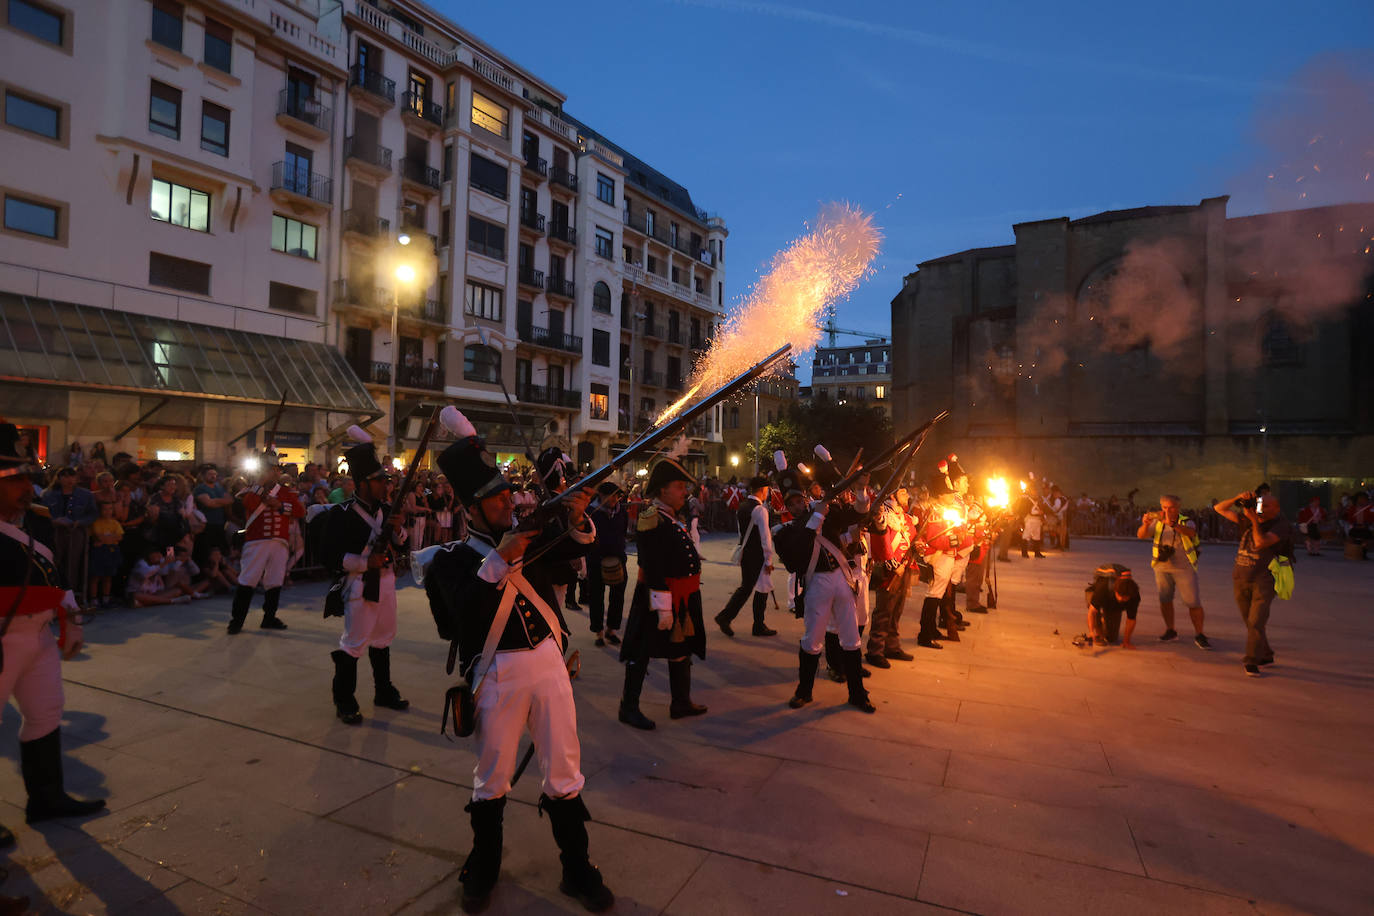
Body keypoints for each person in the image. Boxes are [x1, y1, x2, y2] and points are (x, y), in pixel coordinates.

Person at [422, 408, 613, 914]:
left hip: (549, 663)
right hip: (497, 673)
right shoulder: (451, 561)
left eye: (508, 494)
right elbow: (457, 622)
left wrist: (575, 515)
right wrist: (499, 560)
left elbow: (575, 550)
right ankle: (484, 866)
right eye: (496, 499)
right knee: (493, 779)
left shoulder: (530, 539)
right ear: (472, 509)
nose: (509, 502)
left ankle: (577, 869)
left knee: (565, 772)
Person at [0, 423, 106, 841]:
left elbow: (53, 576)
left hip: (38, 635)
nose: (28, 487)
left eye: (27, 477)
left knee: (45, 715)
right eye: (15, 480)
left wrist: (72, 618)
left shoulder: (36, 520)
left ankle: (45, 798)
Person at [320, 428, 409, 725]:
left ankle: (383, 691)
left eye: (386, 479)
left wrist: (397, 529)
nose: (385, 485)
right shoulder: (341, 514)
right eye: (379, 480)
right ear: (362, 483)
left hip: (385, 582)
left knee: (383, 639)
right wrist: (363, 562)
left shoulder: (387, 509)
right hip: (359, 585)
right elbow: (330, 556)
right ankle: (344, 699)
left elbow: (402, 544)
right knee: (354, 643)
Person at [776, 458, 875, 713]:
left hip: (841, 578)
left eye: (800, 500)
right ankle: (804, 691)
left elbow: (858, 513)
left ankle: (857, 692)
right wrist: (818, 513)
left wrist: (861, 490)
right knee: (812, 640)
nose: (799, 505)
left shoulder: (824, 515)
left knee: (851, 638)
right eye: (793, 503)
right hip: (816, 582)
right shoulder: (785, 532)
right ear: (786, 507)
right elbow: (796, 554)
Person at [618, 457, 709, 729]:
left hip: (682, 596)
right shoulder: (651, 518)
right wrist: (663, 605)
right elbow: (651, 564)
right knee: (641, 649)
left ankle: (680, 702)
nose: (684, 492)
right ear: (662, 491)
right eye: (679, 486)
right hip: (659, 598)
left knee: (680, 647)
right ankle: (628, 707)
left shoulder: (670, 518)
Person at [1213, 489, 1292, 676]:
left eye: (1266, 506)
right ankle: (1266, 654)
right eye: (1259, 505)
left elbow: (1259, 542)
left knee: (1256, 622)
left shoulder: (1281, 525)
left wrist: (1254, 520)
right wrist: (1237, 498)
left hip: (1265, 579)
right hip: (1241, 577)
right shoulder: (1247, 518)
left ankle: (1251, 660)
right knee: (1250, 622)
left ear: (1277, 509)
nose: (1261, 509)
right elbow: (1219, 508)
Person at [227, 452, 303, 633]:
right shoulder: (252, 490)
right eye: (270, 470)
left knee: (275, 580)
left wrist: (280, 506)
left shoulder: (284, 492)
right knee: (248, 580)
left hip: (280, 542)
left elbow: (300, 511)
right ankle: (236, 621)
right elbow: (250, 505)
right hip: (256, 541)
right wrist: (260, 483)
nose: (274, 473)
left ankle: (269, 618)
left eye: (275, 470)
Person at [1136, 495, 1210, 649]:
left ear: (1178, 507)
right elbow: (1141, 535)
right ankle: (1170, 630)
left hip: (1184, 568)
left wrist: (1174, 524)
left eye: (1171, 508)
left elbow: (1191, 532)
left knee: (1193, 602)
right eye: (1164, 507)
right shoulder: (1157, 522)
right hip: (1162, 567)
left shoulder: (1185, 520)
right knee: (1165, 599)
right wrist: (1145, 524)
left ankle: (1200, 634)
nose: (1167, 511)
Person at [713, 474, 778, 638]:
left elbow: (742, 532)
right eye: (767, 490)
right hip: (758, 555)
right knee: (758, 589)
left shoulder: (743, 507)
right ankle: (753, 625)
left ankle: (731, 618)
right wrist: (769, 559)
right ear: (763, 490)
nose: (768, 493)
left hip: (746, 552)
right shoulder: (760, 510)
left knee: (749, 587)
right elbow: (766, 537)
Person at [865, 483, 916, 667]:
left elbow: (911, 538)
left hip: (905, 568)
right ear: (893, 495)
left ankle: (892, 645)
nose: (907, 495)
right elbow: (881, 542)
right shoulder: (883, 515)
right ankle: (875, 650)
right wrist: (893, 565)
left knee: (897, 610)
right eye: (902, 492)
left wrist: (917, 547)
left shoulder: (905, 517)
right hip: (890, 570)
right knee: (884, 611)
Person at [40, 467, 98, 606]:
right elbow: (41, 513)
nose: (68, 480)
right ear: (59, 478)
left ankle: (70, 596)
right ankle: (53, 593)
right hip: (55, 533)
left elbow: (93, 514)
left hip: (75, 532)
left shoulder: (85, 495)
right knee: (54, 561)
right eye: (65, 476)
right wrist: (54, 521)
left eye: (71, 476)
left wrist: (81, 522)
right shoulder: (48, 495)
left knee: (73, 563)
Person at [586, 481, 628, 648]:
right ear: (601, 496)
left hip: (618, 559)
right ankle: (599, 632)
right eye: (610, 496)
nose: (614, 499)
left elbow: (623, 531)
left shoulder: (621, 512)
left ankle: (612, 630)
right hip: (596, 560)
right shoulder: (591, 512)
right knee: (596, 597)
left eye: (617, 496)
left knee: (618, 596)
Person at [1084, 564, 1142, 648]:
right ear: (1115, 590)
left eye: (1126, 598)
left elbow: (1131, 619)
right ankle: (1099, 631)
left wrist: (1126, 641)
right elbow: (1092, 611)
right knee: (1095, 612)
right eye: (1120, 596)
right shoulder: (1103, 589)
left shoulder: (1134, 596)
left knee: (1112, 638)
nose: (1122, 599)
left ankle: (1106, 618)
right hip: (1095, 594)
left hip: (1112, 604)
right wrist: (1091, 632)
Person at [87, 499, 124, 609]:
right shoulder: (96, 522)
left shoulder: (115, 523)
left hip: (111, 551)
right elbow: (99, 536)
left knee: (108, 576)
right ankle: (94, 599)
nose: (108, 512)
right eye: (105, 509)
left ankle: (106, 599)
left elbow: (120, 537)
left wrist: (106, 539)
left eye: (110, 509)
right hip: (99, 552)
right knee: (96, 576)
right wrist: (110, 538)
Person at [193, 464, 232, 565]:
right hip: (207, 525)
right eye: (210, 474)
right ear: (204, 476)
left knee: (220, 551)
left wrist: (216, 501)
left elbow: (230, 500)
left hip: (220, 523)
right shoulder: (200, 488)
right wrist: (221, 501)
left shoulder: (219, 487)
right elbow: (209, 503)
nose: (213, 476)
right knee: (208, 552)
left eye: (215, 474)